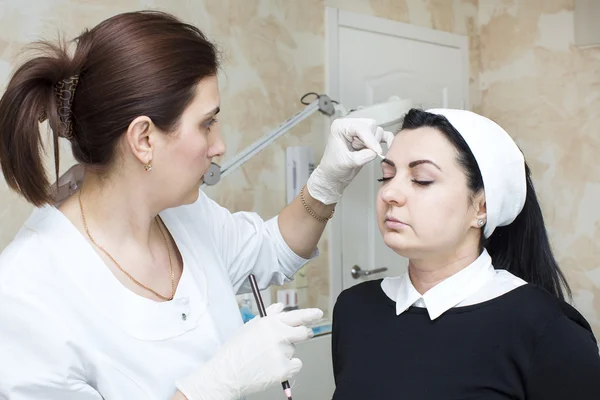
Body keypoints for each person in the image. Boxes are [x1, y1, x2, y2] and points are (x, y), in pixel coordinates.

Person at [0, 10, 392, 400]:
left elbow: (272, 248)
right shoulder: (28, 293)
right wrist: (211, 387)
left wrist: (328, 180)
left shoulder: (185, 214)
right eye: (207, 124)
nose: (219, 145)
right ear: (144, 139)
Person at [331, 108, 600, 399]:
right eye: (386, 176)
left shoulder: (547, 329)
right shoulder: (354, 309)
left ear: (481, 207)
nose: (389, 194)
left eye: (421, 179)